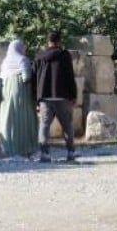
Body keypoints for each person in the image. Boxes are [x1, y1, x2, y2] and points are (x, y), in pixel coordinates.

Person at [34, 30, 78, 163]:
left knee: (44, 126)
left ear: (47, 41)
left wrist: (36, 97)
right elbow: (70, 76)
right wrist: (73, 95)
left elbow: (34, 77)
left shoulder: (39, 56)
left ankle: (44, 153)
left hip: (45, 97)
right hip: (62, 96)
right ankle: (70, 152)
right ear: (59, 41)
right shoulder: (64, 55)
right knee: (67, 126)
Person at [0, 39, 39, 160]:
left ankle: (10, 149)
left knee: (8, 121)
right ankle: (26, 149)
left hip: (5, 93)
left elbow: (1, 76)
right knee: (24, 121)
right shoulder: (22, 60)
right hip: (22, 92)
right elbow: (26, 77)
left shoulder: (5, 62)